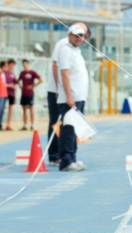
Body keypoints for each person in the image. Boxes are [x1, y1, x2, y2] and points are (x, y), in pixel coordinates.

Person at [57, 23, 90, 172]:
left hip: (79, 97)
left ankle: (72, 158)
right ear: (69, 35)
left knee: (74, 130)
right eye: (76, 35)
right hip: (70, 98)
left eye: (81, 35)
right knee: (68, 130)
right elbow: (64, 74)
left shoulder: (76, 50)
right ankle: (66, 161)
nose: (79, 38)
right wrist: (69, 96)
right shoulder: (65, 50)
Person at [47, 36, 70, 164]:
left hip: (65, 92)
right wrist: (57, 88)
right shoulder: (63, 43)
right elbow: (55, 65)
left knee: (65, 123)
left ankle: (62, 154)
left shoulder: (73, 48)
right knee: (56, 121)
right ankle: (54, 154)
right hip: (56, 91)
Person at [17, 59, 42, 131]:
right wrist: (20, 86)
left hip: (30, 94)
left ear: (28, 64)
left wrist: (33, 86)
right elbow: (18, 81)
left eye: (26, 64)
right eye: (24, 65)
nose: (25, 66)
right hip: (23, 94)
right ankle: (25, 125)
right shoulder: (22, 73)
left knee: (31, 109)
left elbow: (41, 80)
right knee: (24, 109)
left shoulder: (32, 72)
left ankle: (32, 125)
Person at [4, 59, 17, 131]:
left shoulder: (13, 74)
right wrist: (9, 85)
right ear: (8, 64)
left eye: (13, 65)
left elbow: (15, 82)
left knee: (10, 109)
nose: (12, 66)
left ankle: (8, 124)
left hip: (12, 94)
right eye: (11, 65)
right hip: (4, 93)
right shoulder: (4, 73)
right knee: (2, 108)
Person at [0, 61, 7, 130]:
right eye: (6, 66)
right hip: (0, 94)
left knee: (2, 111)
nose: (7, 68)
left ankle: (0, 124)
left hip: (4, 94)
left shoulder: (4, 74)